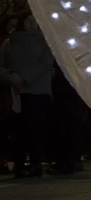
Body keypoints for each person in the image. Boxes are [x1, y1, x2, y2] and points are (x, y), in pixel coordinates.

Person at [0, 13, 52, 178]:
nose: (33, 24)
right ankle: (19, 163)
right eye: (30, 21)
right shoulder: (9, 43)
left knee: (35, 128)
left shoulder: (44, 42)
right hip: (17, 92)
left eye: (36, 21)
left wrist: (26, 77)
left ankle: (36, 163)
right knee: (19, 130)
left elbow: (45, 63)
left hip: (37, 90)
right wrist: (10, 76)